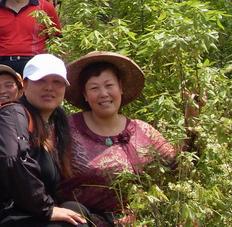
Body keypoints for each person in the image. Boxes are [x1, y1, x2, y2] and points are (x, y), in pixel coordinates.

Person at [0, 53, 90, 227]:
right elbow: (13, 160)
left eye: (57, 82)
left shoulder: (46, 124)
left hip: (18, 213)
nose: (49, 87)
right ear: (25, 85)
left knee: (77, 211)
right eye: (41, 81)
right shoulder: (12, 114)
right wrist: (46, 209)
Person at [58, 52, 177, 226]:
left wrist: (192, 122)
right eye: (94, 88)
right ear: (84, 94)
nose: (103, 93)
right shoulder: (66, 130)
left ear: (120, 88)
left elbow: (177, 166)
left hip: (140, 219)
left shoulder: (142, 130)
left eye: (109, 85)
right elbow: (39, 172)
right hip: (82, 220)